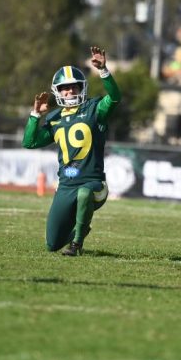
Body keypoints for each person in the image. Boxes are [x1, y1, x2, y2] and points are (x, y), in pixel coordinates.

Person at [22, 46, 121, 256]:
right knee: (51, 244)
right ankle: (82, 228)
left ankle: (76, 244)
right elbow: (30, 143)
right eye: (65, 88)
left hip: (94, 184)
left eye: (74, 87)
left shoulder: (94, 109)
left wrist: (103, 71)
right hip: (66, 185)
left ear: (81, 88)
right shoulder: (54, 118)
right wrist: (34, 116)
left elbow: (114, 98)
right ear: (57, 91)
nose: (70, 91)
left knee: (85, 194)